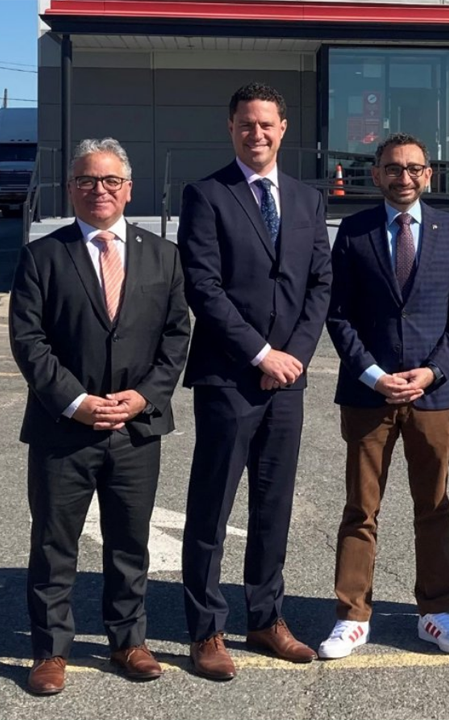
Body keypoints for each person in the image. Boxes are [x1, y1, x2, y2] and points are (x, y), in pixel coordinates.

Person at [9, 138, 190, 695]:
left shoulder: (163, 255)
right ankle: (50, 650)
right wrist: (78, 402)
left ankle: (128, 640)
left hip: (136, 428)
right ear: (72, 190)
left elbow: (176, 335)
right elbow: (29, 340)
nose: (100, 190)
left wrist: (144, 396)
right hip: (64, 428)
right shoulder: (44, 255)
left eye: (111, 181)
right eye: (88, 181)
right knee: (53, 544)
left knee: (129, 542)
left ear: (129, 190)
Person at [178, 82, 332, 680]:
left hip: (286, 380)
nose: (257, 133)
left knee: (274, 506)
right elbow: (204, 288)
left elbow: (320, 282)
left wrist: (293, 355)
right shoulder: (207, 195)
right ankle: (206, 629)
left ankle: (266, 618)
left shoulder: (306, 198)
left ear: (283, 128)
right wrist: (262, 354)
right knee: (212, 506)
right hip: (230, 377)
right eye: (246, 124)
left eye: (266, 124)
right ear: (232, 128)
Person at [317, 133, 449, 660]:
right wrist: (371, 373)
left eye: (413, 168)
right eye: (392, 168)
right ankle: (352, 614)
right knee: (361, 507)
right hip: (369, 394)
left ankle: (435, 612)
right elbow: (337, 312)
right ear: (377, 174)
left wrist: (433, 372)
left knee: (433, 504)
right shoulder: (353, 232)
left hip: (433, 395)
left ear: (429, 174)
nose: (403, 176)